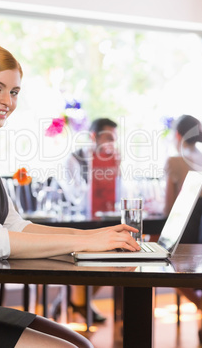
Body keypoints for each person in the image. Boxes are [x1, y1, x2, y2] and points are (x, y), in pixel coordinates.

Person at [0, 45, 141, 348]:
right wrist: (87, 242)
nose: (7, 101)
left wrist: (95, 235)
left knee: (83, 344)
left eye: (14, 92)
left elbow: (14, 224)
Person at [163, 114, 202, 342]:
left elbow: (168, 207)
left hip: (186, 232)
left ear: (178, 135)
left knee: (162, 262)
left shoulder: (175, 161)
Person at [57, 118, 120, 323]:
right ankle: (77, 301)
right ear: (94, 136)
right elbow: (76, 196)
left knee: (117, 250)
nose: (111, 143)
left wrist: (114, 172)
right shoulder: (74, 159)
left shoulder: (114, 160)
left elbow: (119, 196)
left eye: (114, 138)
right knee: (98, 249)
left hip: (103, 219)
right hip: (77, 221)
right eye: (108, 137)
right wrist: (99, 173)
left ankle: (75, 301)